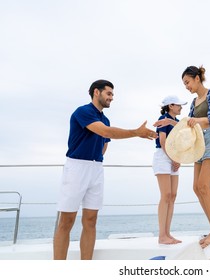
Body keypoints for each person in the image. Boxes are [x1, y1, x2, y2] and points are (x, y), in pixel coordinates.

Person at [53, 79, 157, 260]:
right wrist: (135, 132)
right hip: (77, 167)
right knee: (66, 221)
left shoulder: (106, 119)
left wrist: (97, 160)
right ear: (96, 92)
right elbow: (106, 133)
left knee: (91, 220)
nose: (111, 98)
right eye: (109, 93)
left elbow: (104, 144)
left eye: (112, 95)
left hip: (96, 168)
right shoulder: (83, 112)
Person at [156, 65, 210, 248]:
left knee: (203, 185)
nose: (187, 86)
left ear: (197, 78)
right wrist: (171, 121)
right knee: (196, 187)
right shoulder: (194, 103)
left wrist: (199, 121)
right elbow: (188, 124)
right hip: (199, 144)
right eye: (184, 84)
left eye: (187, 82)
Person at [153, 95, 187, 244]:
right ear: (171, 106)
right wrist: (174, 158)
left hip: (174, 157)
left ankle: (168, 233)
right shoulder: (163, 119)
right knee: (165, 195)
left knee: (173, 195)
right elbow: (162, 140)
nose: (181, 107)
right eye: (179, 105)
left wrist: (178, 158)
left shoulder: (177, 122)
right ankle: (162, 235)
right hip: (163, 156)